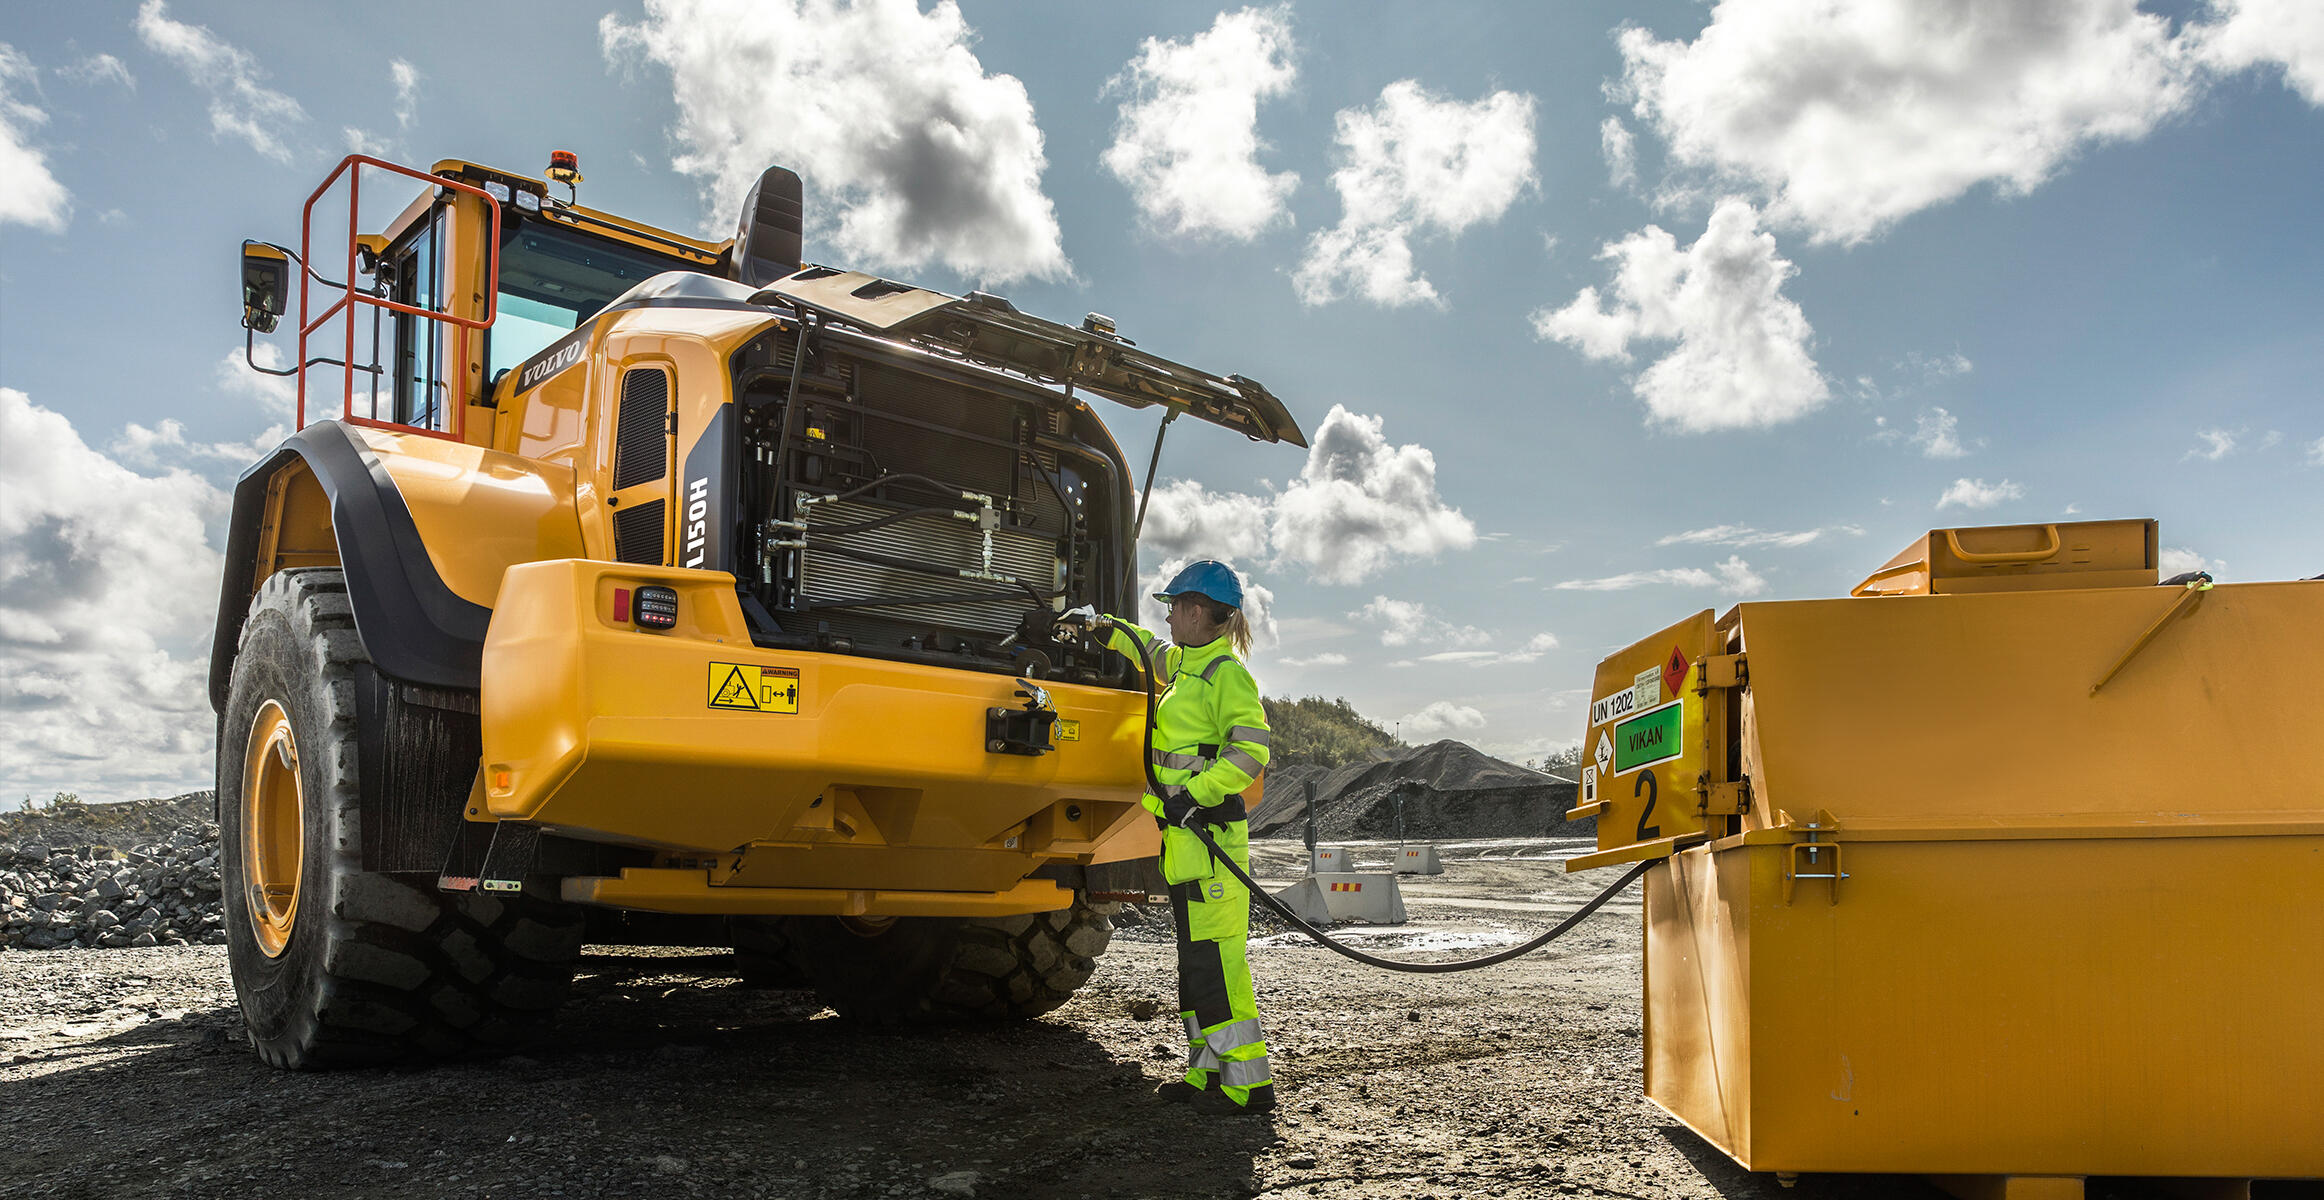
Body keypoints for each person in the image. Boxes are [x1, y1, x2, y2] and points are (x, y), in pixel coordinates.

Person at [1067, 560, 1275, 1115]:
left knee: (1217, 965)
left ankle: (1247, 1086)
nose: (1168, 614)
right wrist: (1099, 626)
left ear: (1197, 611)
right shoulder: (1186, 666)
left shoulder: (1225, 676)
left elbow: (1251, 749)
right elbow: (1148, 649)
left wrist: (1195, 794)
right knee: (1195, 963)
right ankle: (1207, 1075)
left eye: (1175, 605)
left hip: (1211, 845)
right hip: (1185, 847)